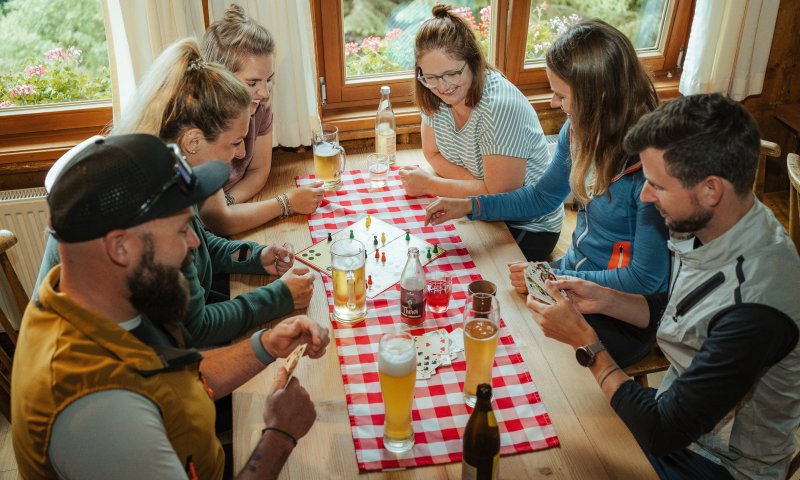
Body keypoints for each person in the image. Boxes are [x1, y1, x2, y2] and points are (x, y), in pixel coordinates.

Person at [12, 134, 331, 479]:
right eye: (181, 229)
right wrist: (280, 435)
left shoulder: (89, 295)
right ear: (120, 247)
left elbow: (169, 377)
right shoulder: (100, 412)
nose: (194, 241)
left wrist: (265, 345)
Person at [528, 93, 800, 479]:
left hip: (721, 463)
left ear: (710, 190)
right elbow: (672, 316)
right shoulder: (707, 225)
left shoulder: (756, 307)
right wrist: (604, 298)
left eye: (657, 185)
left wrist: (587, 345)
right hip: (681, 418)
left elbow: (661, 431)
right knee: (546, 412)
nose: (644, 195)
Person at [34, 38, 315, 348]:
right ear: (193, 141)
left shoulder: (164, 162)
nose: (238, 154)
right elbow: (195, 328)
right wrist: (280, 296)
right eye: (234, 143)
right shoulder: (148, 202)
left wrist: (252, 255)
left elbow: (196, 239)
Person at [425, 20, 669, 367]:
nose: (554, 103)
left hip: (623, 310)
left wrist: (551, 277)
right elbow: (541, 197)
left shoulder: (651, 169)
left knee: (523, 352)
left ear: (598, 95)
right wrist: (469, 205)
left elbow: (645, 279)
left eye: (562, 95)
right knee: (492, 317)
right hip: (572, 277)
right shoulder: (578, 129)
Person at [401, 3, 562, 261]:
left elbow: (500, 199)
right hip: (478, 207)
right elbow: (432, 154)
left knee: (446, 267)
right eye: (430, 77)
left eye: (452, 73)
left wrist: (432, 184)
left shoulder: (499, 106)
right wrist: (478, 184)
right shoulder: (432, 93)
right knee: (414, 249)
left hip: (526, 227)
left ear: (473, 62)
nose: (442, 87)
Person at [200, 3, 325, 236]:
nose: (265, 92)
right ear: (219, 77)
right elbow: (218, 221)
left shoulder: (259, 106)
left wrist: (228, 199)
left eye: (269, 79)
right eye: (252, 83)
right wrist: (286, 203)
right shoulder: (201, 125)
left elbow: (259, 170)